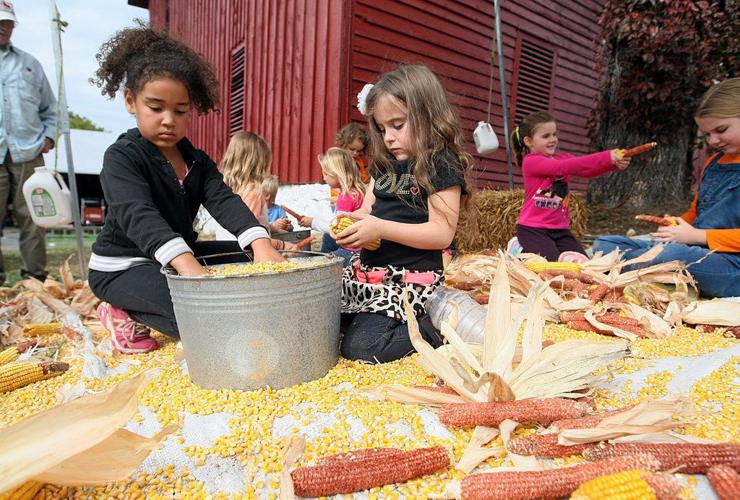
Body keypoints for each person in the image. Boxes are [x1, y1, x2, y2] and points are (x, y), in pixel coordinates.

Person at [87, 25, 284, 353]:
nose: (168, 120)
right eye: (156, 107)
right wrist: (189, 269)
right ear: (130, 101)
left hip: (175, 257)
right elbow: (139, 215)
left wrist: (260, 242)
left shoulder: (198, 161)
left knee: (244, 258)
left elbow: (224, 200)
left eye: (180, 111)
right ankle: (121, 308)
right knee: (205, 320)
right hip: (125, 266)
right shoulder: (122, 157)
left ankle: (193, 283)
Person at [334, 64, 474, 363]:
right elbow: (368, 209)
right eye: (382, 129)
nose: (388, 138)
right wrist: (350, 224)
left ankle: (435, 329)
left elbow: (441, 232)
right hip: (370, 276)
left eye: (398, 125)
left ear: (428, 116)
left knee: (361, 349)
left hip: (410, 282)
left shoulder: (440, 164)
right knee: (328, 327)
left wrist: (380, 229)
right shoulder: (383, 165)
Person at [593, 78, 740, 298]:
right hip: (698, 250)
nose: (713, 140)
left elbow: (695, 235)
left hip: (731, 266)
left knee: (671, 254)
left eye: (721, 129)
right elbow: (698, 209)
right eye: (707, 134)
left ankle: (622, 268)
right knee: (605, 243)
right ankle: (641, 264)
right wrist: (676, 225)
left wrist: (696, 236)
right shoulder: (714, 163)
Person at [511, 111, 630, 261]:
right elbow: (562, 167)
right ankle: (519, 250)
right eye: (546, 136)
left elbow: (586, 170)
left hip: (560, 230)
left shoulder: (562, 158)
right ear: (528, 141)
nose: (553, 139)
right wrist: (607, 156)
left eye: (554, 134)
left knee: (584, 264)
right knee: (552, 266)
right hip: (533, 230)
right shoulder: (531, 162)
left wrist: (613, 165)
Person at [0, 1, 56, 285]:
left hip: (28, 150)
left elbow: (50, 108)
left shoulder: (29, 64)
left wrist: (49, 136)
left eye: (7, 22)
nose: (3, 26)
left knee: (34, 217)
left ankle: (34, 278)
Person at [298, 147, 365, 265]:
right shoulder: (357, 192)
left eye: (326, 173)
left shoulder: (346, 197)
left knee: (321, 264)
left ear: (337, 173)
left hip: (352, 252)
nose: (324, 177)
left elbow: (337, 229)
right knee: (328, 238)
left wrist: (312, 222)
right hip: (361, 247)